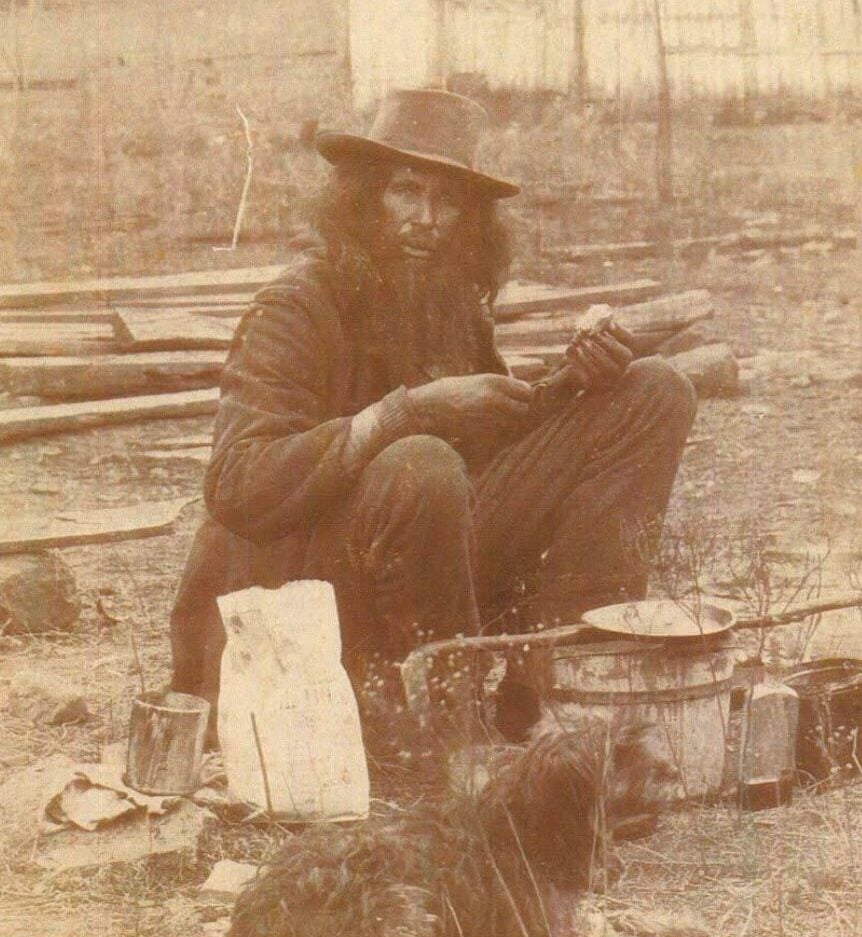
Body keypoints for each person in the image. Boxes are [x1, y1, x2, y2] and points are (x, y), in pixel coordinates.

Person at [170, 89, 696, 741]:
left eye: (447, 200)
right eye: (405, 192)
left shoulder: (449, 306)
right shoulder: (296, 306)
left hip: (419, 575)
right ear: (360, 201)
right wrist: (404, 414)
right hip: (292, 603)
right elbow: (239, 486)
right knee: (420, 460)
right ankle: (456, 748)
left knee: (653, 390)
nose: (427, 218)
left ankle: (558, 697)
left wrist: (570, 388)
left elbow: (484, 456)